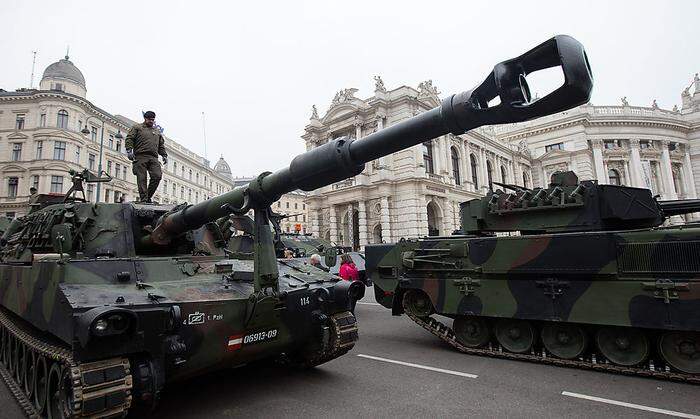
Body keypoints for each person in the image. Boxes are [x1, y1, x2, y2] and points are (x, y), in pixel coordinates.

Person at [125, 111, 168, 203]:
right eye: (149, 119)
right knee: (142, 178)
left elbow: (161, 145)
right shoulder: (137, 128)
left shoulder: (157, 131)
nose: (151, 121)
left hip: (153, 157)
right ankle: (144, 199)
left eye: (153, 120)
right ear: (145, 118)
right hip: (141, 156)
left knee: (157, 176)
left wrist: (164, 155)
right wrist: (129, 150)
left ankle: (148, 196)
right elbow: (129, 138)